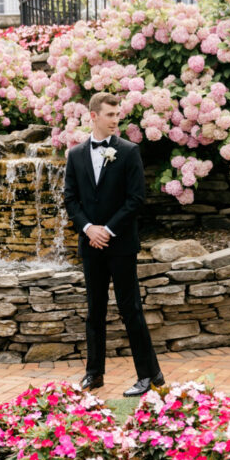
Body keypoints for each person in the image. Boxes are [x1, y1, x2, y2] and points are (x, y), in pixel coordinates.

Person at [63, 91, 164, 397]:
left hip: (120, 245)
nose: (116, 119)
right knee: (94, 310)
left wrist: (106, 229)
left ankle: (148, 375)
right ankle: (94, 374)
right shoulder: (76, 154)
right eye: (110, 114)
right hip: (90, 245)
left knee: (130, 308)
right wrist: (88, 228)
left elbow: (136, 199)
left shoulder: (129, 151)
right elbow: (71, 198)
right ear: (93, 116)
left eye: (118, 114)